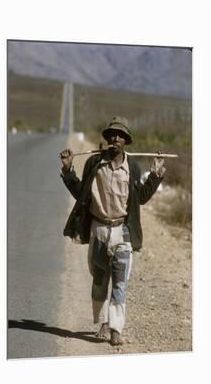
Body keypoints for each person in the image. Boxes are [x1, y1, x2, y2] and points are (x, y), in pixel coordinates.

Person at [59, 116, 165, 346]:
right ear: (107, 138)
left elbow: (142, 198)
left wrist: (156, 175)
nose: (115, 138)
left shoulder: (133, 167)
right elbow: (81, 194)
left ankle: (116, 328)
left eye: (120, 135)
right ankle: (103, 323)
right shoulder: (94, 164)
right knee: (99, 281)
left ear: (126, 140)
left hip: (123, 231)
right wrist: (68, 171)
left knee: (120, 283)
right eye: (112, 134)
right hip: (98, 229)